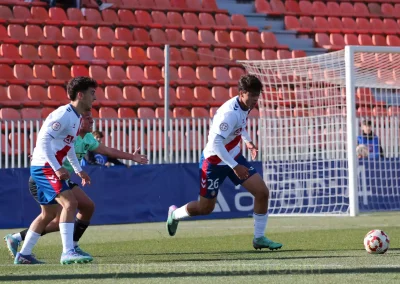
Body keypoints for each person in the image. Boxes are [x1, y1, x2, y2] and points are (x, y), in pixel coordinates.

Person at [5, 110, 149, 261]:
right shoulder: (66, 133)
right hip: (47, 176)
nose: (92, 121)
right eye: (87, 118)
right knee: (58, 214)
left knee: (85, 207)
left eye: (92, 118)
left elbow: (107, 150)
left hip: (62, 178)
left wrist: (131, 157)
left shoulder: (87, 138)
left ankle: (68, 246)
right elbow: (45, 143)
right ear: (77, 121)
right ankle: (62, 250)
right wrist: (37, 156)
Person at [166, 74, 283, 251]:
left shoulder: (245, 105)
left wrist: (248, 141)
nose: (255, 100)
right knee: (205, 208)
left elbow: (240, 126)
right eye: (252, 95)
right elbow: (216, 143)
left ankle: (259, 238)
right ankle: (174, 214)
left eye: (257, 95)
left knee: (262, 192)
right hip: (214, 161)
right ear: (242, 93)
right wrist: (235, 166)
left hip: (233, 156)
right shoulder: (229, 113)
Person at [12, 77, 96, 265]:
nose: (95, 98)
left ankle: (24, 254)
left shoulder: (75, 117)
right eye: (92, 93)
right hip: (45, 167)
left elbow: (70, 146)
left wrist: (78, 170)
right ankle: (68, 251)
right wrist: (57, 168)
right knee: (70, 204)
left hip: (46, 166)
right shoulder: (63, 115)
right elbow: (43, 140)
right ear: (80, 95)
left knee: (48, 215)